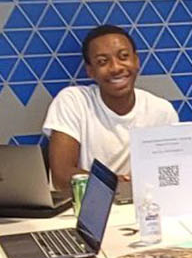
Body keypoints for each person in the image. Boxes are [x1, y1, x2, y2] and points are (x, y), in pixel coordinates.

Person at [43, 24, 178, 189]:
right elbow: (62, 177)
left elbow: (174, 176)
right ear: (90, 71)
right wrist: (116, 184)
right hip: (84, 209)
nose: (115, 68)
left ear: (136, 61)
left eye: (123, 56)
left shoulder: (161, 111)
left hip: (142, 208)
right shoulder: (73, 101)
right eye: (102, 62)